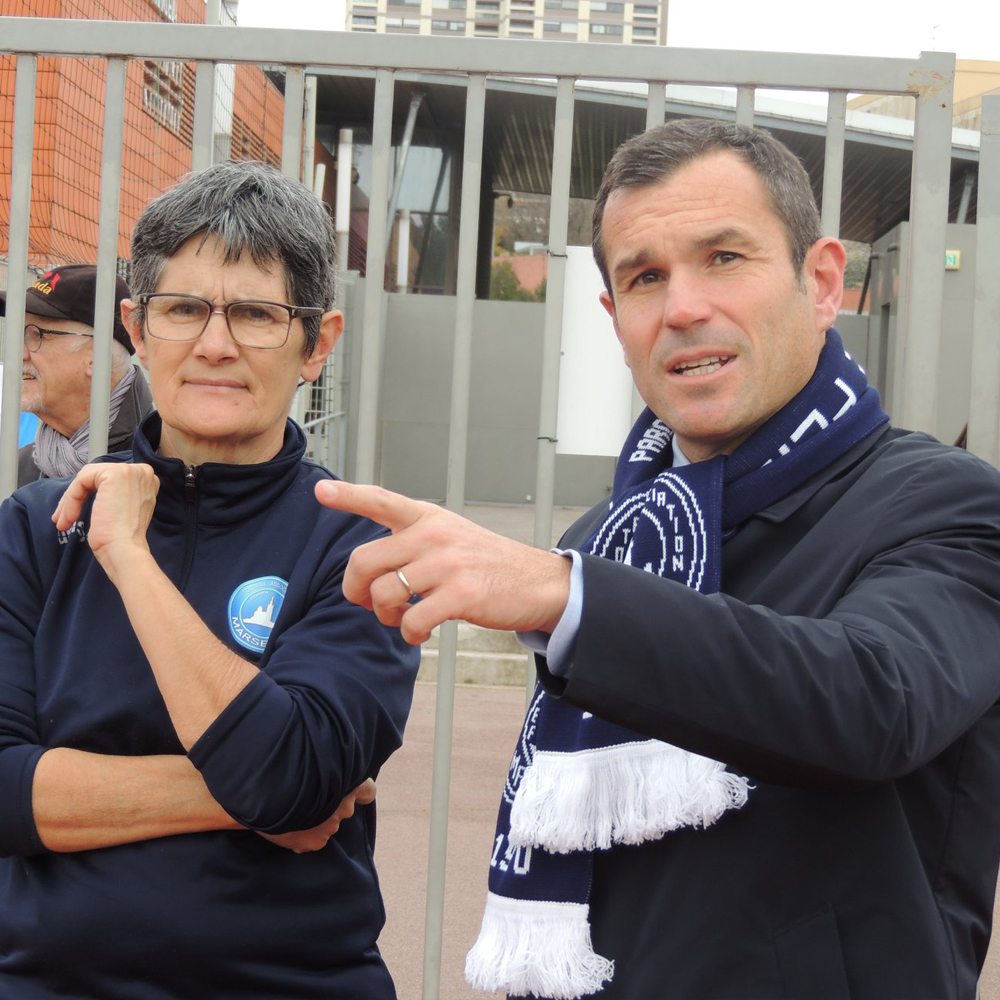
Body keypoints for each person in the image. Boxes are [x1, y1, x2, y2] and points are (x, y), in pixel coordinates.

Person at [316, 119, 1000, 999]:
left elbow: (874, 700)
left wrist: (566, 598)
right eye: (645, 277)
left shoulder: (946, 501)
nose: (682, 308)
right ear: (615, 318)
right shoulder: (609, 534)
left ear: (822, 281)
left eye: (724, 258)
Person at [0, 159, 420, 999]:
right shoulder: (36, 530)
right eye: (185, 308)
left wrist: (129, 556)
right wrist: (253, 799)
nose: (215, 343)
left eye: (258, 314)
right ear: (138, 326)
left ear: (317, 344)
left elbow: (287, 772)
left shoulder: (361, 544)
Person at [0, 264, 154, 487]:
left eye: (36, 335)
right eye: (20, 335)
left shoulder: (161, 463)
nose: (20, 353)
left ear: (96, 357)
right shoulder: (16, 470)